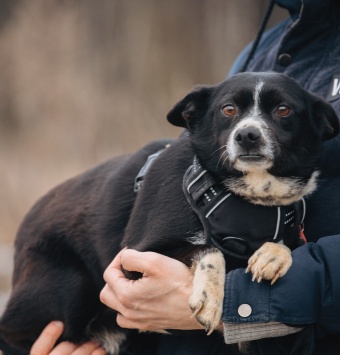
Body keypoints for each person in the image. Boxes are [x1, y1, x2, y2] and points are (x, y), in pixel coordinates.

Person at [32, 0, 340, 353]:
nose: (248, 129)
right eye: (230, 110)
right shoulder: (268, 45)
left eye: (282, 110)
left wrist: (240, 301)